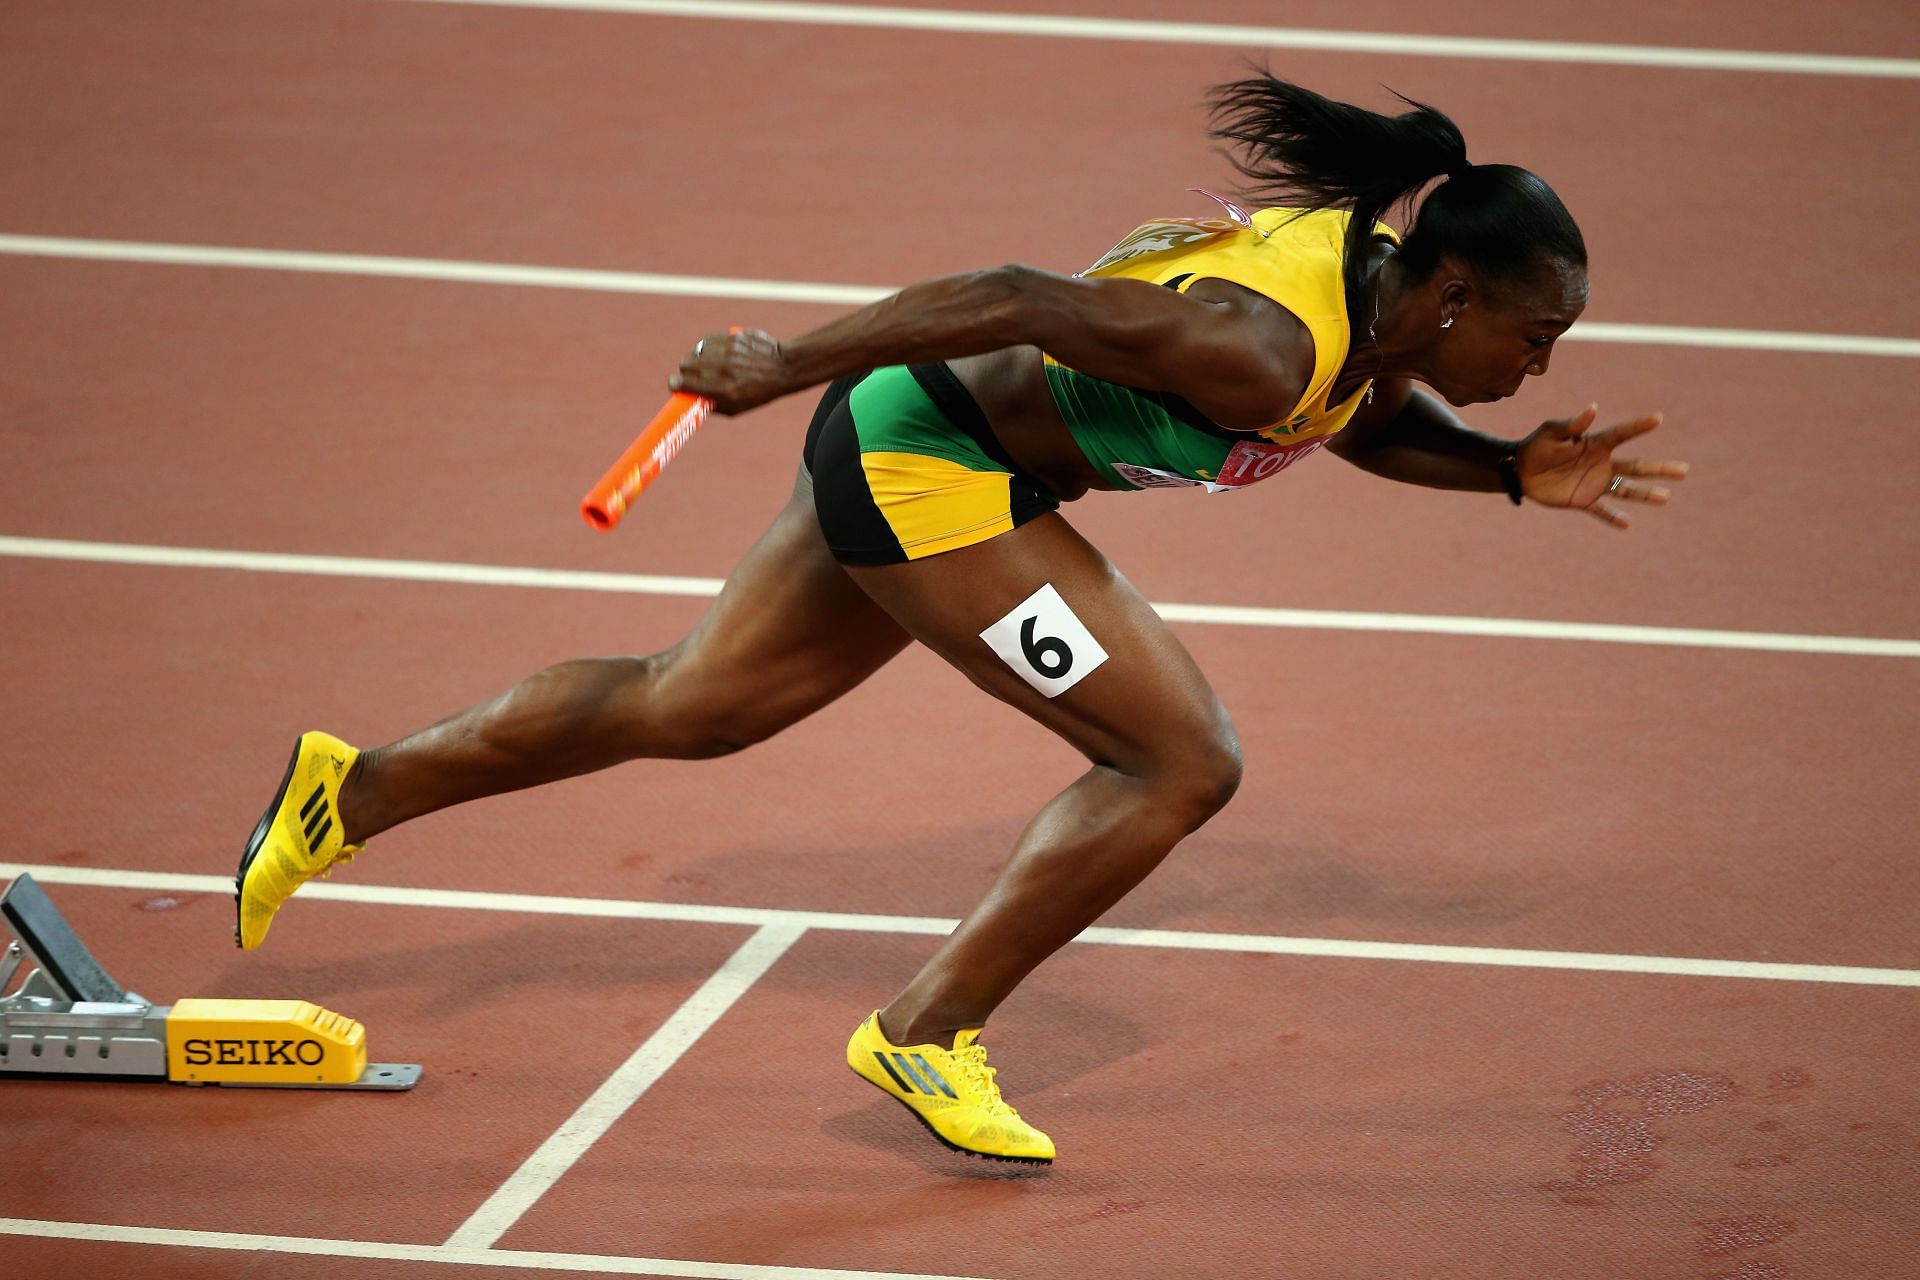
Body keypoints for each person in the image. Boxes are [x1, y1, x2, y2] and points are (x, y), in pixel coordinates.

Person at [234, 71, 1685, 1165]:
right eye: (1533, 337)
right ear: (1445, 293)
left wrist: (1505, 470)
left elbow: (1359, 420)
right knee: (1181, 760)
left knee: (697, 704)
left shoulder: (1362, 322)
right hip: (932, 469)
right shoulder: (1256, 341)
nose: (1539, 361)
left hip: (919, 445)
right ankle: (925, 1035)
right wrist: (781, 362)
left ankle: (349, 787)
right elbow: (1010, 295)